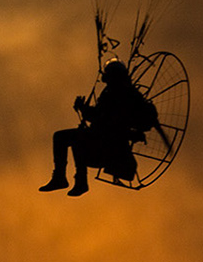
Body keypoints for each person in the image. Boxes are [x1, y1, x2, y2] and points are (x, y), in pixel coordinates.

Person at [41, 58, 159, 195]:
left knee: (76, 139)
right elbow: (101, 117)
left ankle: (79, 181)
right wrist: (84, 109)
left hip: (109, 147)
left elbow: (105, 119)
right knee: (61, 137)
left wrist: (84, 109)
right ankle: (62, 178)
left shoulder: (122, 95)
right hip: (101, 142)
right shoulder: (115, 92)